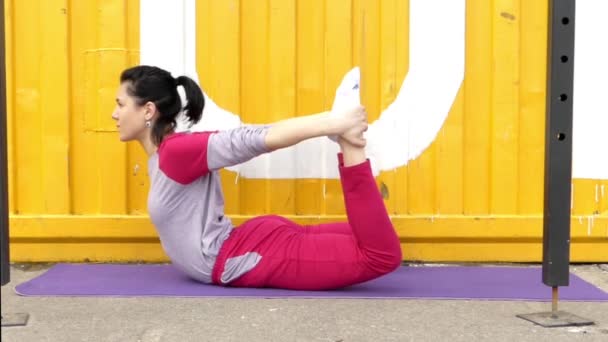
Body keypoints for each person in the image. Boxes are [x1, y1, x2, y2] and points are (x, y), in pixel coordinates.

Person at [112, 65, 402, 290]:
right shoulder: (162, 156)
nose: (114, 114)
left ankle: (348, 139)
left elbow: (253, 139)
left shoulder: (176, 151)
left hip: (242, 258)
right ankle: (344, 131)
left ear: (148, 110)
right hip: (247, 245)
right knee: (375, 239)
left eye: (121, 104)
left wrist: (336, 122)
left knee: (380, 254)